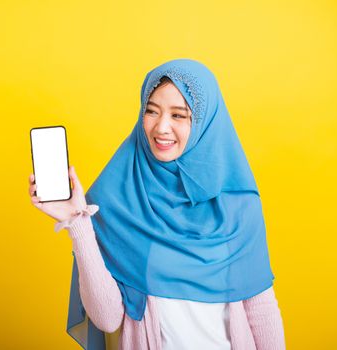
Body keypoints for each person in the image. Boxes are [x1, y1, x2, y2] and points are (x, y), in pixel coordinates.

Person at [29, 58, 286, 350]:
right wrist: (78, 223)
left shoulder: (238, 205)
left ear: (204, 122)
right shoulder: (115, 200)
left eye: (179, 116)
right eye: (151, 111)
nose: (161, 127)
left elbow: (260, 310)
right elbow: (108, 319)